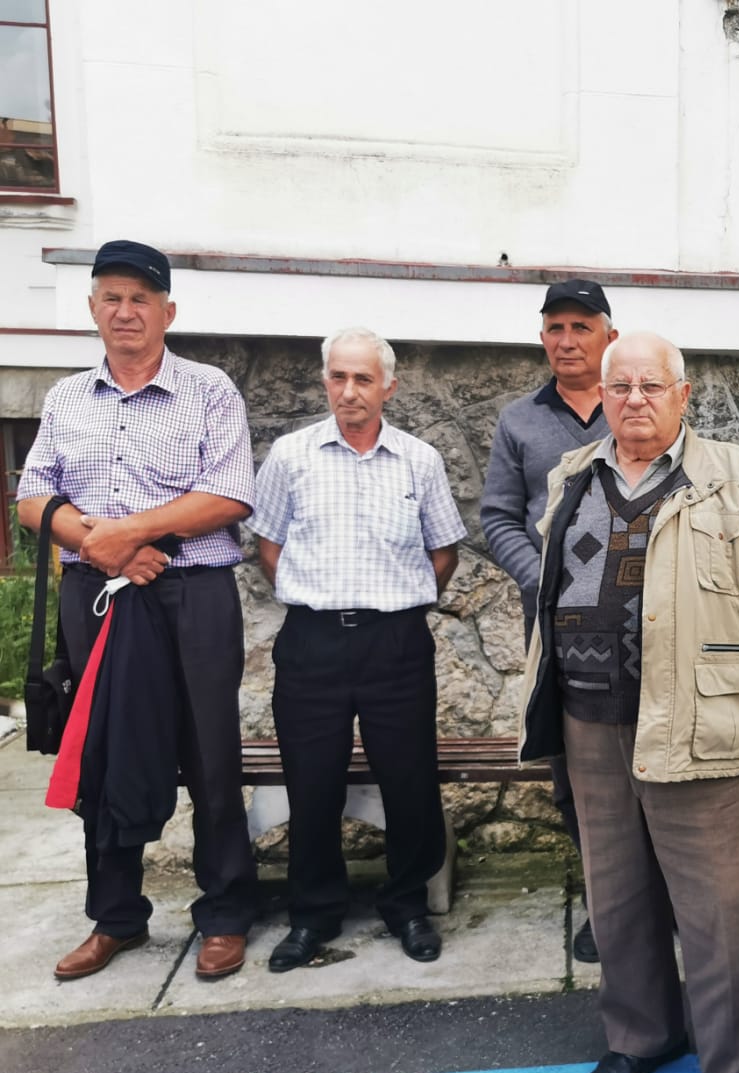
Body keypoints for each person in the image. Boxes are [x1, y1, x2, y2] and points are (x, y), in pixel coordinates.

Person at [519, 331, 739, 1073]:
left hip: (697, 724)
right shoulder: (573, 477)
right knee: (617, 900)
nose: (635, 400)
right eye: (620, 387)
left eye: (652, 385)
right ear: (602, 396)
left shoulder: (737, 481)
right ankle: (642, 1036)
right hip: (591, 723)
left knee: (718, 911)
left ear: (683, 395)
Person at [17, 239, 258, 982]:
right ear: (92, 307)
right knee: (102, 753)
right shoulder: (64, 398)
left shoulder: (209, 390)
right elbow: (31, 498)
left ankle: (225, 913)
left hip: (193, 595)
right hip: (95, 596)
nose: (126, 311)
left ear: (167, 311)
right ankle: (116, 917)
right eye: (113, 298)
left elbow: (230, 494)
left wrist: (131, 533)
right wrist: (101, 545)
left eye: (141, 299)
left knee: (210, 754)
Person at [248, 328, 467, 970]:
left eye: (363, 379)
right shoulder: (290, 456)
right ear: (325, 382)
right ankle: (313, 914)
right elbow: (268, 545)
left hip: (394, 641)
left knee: (409, 779)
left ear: (388, 387)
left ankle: (407, 906)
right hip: (312, 640)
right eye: (339, 377)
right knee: (311, 781)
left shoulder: (419, 461)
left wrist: (395, 603)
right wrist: (317, 596)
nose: (349, 391)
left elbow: (443, 551)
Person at [481, 279, 618, 963]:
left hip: (638, 621)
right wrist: (544, 583)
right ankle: (606, 905)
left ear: (609, 337)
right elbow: (498, 518)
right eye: (555, 328)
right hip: (556, 631)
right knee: (574, 772)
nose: (567, 340)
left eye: (581, 327)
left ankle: (655, 898)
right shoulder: (519, 422)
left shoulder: (637, 403)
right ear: (543, 339)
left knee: (643, 762)